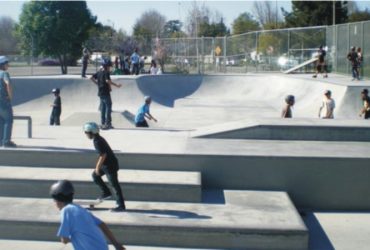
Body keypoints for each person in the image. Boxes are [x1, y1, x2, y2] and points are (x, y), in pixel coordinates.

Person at [50, 179, 126, 250]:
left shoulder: (66, 211)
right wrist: (116, 244)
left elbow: (64, 240)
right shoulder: (81, 209)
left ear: (58, 199)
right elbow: (102, 224)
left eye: (54, 200)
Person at [84, 122, 126, 212]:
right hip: (107, 165)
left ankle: (121, 206)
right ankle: (106, 192)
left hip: (110, 165)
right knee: (95, 176)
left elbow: (103, 155)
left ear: (91, 132)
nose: (86, 135)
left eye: (86, 132)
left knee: (114, 185)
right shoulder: (98, 139)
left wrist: (97, 167)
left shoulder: (97, 141)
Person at [90, 59, 122, 130]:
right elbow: (107, 81)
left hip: (100, 92)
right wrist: (116, 85)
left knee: (103, 108)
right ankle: (108, 124)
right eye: (109, 66)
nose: (109, 68)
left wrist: (98, 84)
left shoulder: (99, 72)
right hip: (106, 92)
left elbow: (91, 78)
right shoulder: (106, 72)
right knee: (108, 107)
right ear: (106, 66)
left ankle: (103, 123)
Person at [0, 56, 15, 148]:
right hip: (3, 100)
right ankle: (6, 142)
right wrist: (10, 96)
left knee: (1, 121)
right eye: (7, 63)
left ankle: (1, 140)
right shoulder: (4, 73)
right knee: (8, 120)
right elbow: (8, 83)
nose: (8, 65)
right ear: (2, 64)